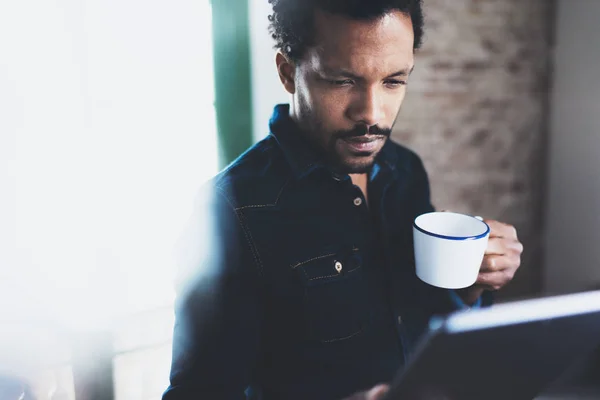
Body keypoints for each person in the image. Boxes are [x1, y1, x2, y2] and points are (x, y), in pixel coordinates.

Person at [162, 0, 524, 399]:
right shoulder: (230, 210)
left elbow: (420, 312)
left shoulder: (405, 171)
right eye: (342, 81)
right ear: (287, 72)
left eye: (393, 81)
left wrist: (471, 288)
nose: (372, 113)